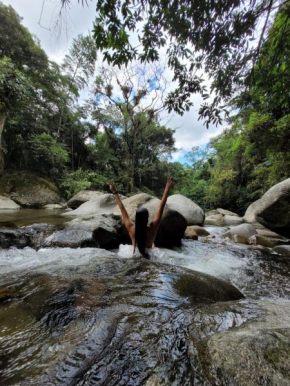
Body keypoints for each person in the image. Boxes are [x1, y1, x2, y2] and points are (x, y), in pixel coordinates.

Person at [109, 177, 173, 258]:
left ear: (136, 219)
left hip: (135, 254)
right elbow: (161, 207)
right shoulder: (152, 229)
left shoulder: (131, 228)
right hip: (149, 256)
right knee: (152, 245)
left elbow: (122, 209)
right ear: (147, 219)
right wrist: (167, 188)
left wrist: (115, 192)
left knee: (150, 245)